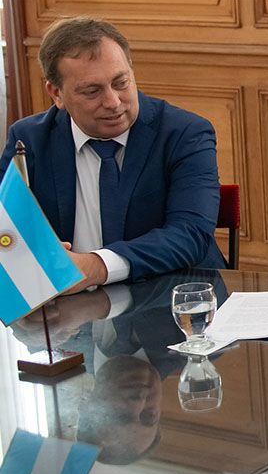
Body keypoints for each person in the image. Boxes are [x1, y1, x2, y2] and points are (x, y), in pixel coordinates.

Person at [0, 16, 224, 292]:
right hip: (67, 314)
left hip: (172, 303)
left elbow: (190, 234)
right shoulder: (30, 139)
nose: (113, 102)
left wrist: (93, 266)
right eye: (92, 91)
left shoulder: (185, 133)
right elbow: (5, 227)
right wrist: (28, 254)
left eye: (121, 83)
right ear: (56, 93)